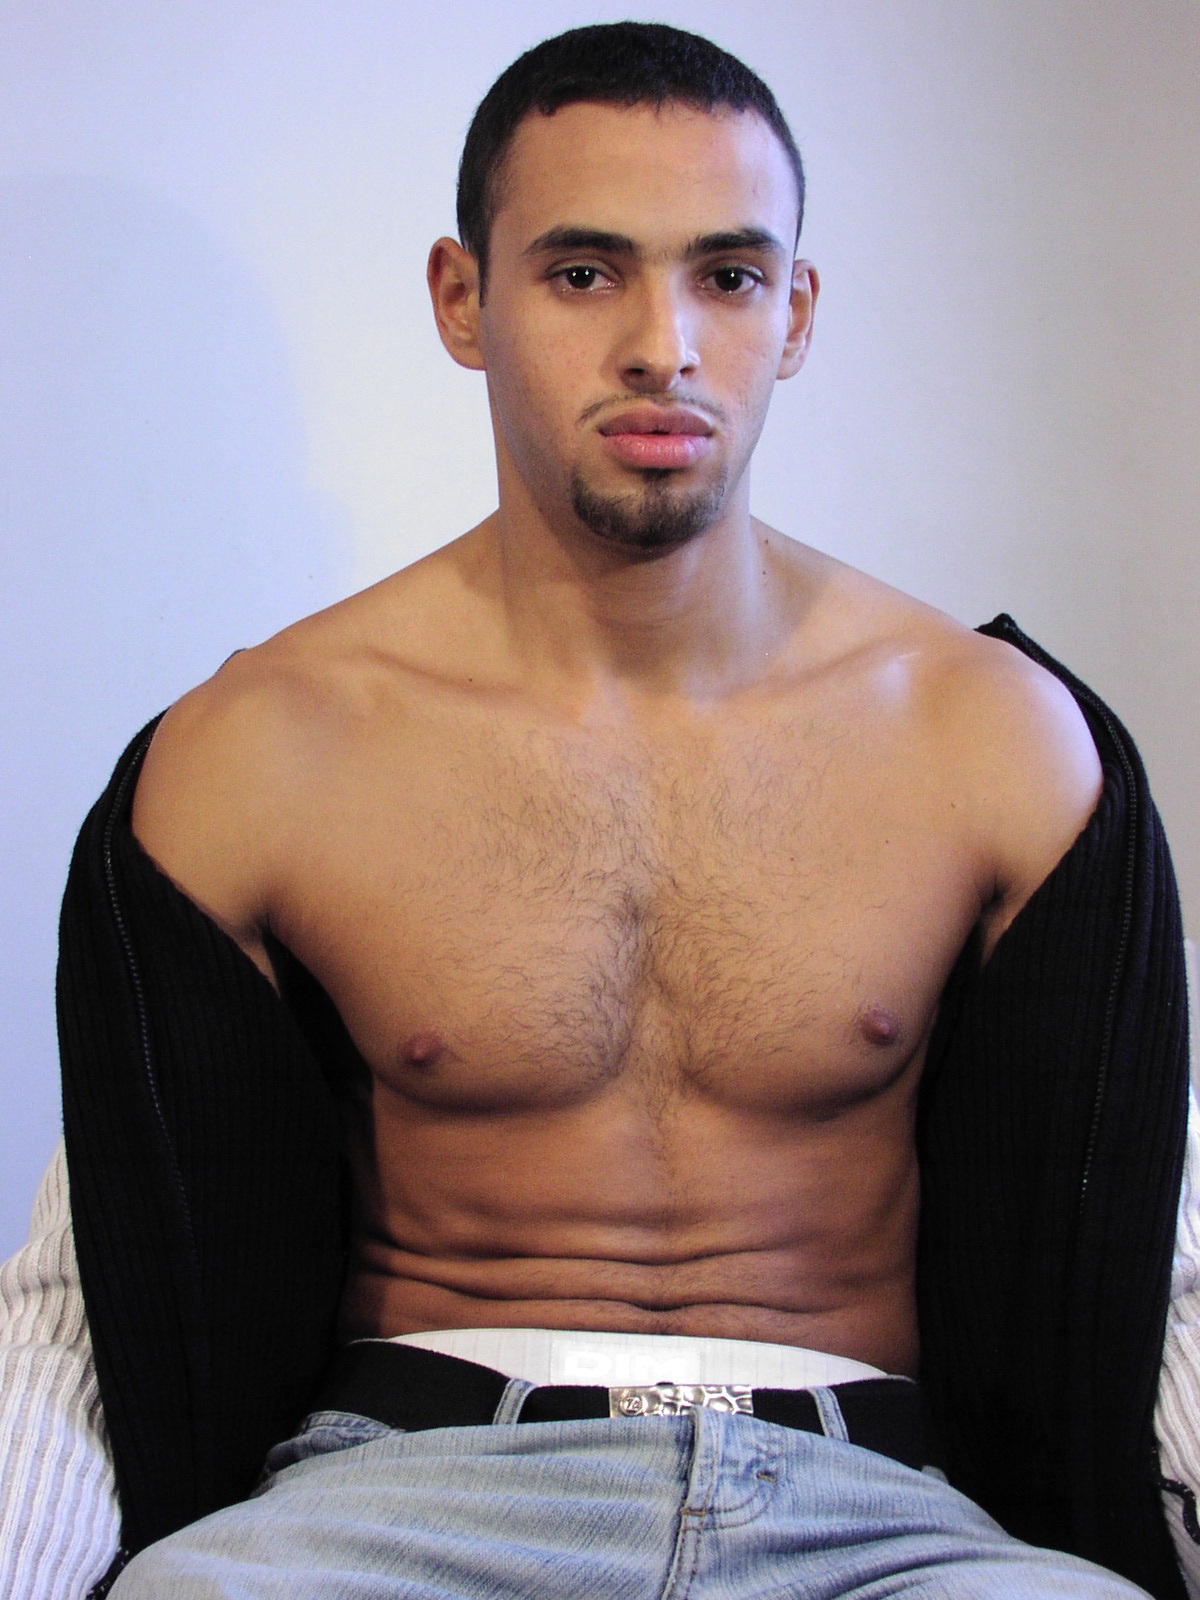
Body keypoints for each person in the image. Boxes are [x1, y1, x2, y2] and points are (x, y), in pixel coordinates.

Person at [2, 20, 1194, 1600]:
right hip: (399, 1505)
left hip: (882, 1521)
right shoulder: (262, 751)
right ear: (463, 299)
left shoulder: (995, 741)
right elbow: (99, 1279)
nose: (664, 346)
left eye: (729, 276)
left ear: (796, 311)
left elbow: (1151, 1253)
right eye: (583, 273)